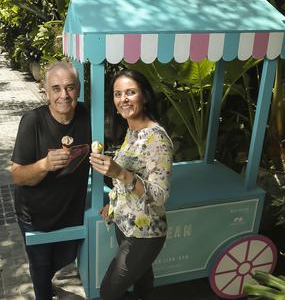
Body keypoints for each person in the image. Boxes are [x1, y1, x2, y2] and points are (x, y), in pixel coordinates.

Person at [89, 69, 173, 300]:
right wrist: (113, 206)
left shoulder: (157, 139)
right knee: (142, 282)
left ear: (144, 96)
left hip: (145, 233)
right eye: (118, 94)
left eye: (130, 92)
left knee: (109, 291)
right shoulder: (132, 129)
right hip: (125, 223)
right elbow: (127, 180)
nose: (123, 99)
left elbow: (160, 195)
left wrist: (120, 173)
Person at [10, 61, 91, 300]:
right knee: (41, 267)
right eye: (56, 89)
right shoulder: (32, 121)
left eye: (70, 88)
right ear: (46, 91)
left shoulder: (88, 114)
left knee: (66, 256)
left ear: (78, 89)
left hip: (70, 211)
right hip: (35, 215)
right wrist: (44, 164)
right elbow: (18, 175)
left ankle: (47, 283)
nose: (64, 95)